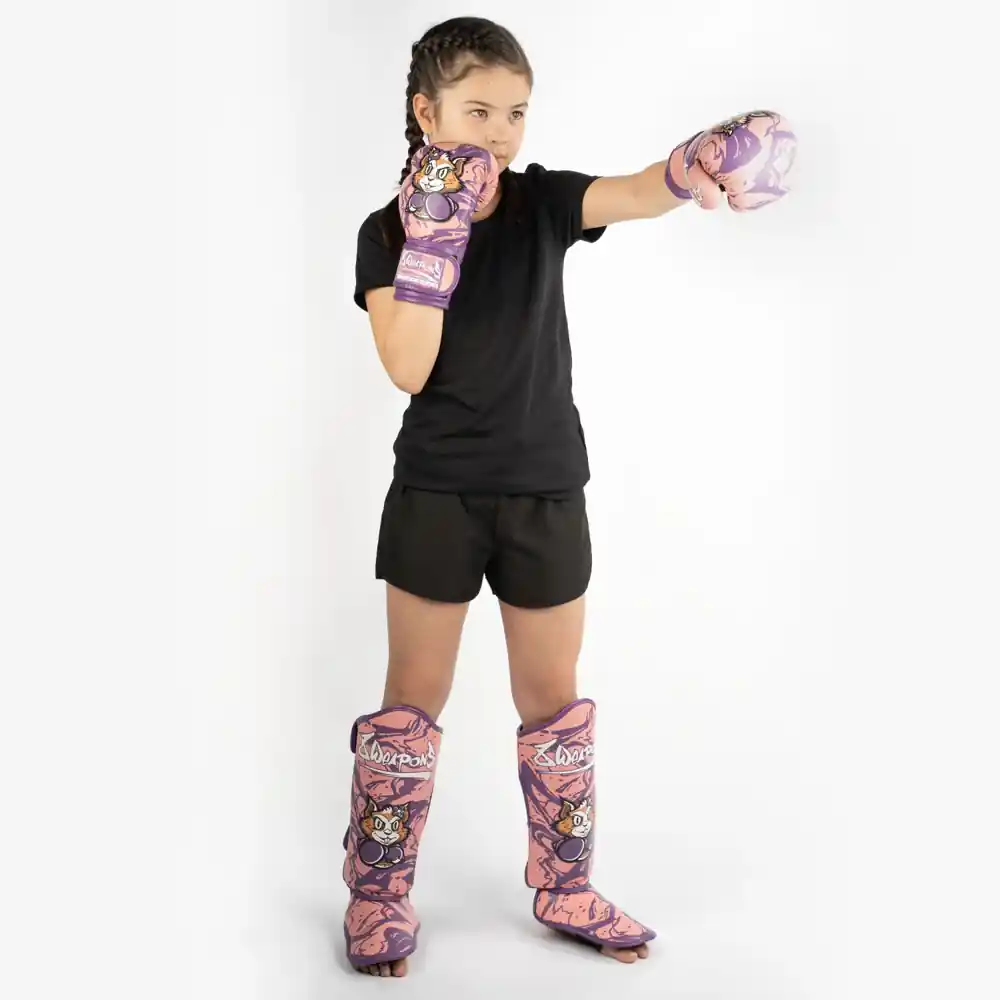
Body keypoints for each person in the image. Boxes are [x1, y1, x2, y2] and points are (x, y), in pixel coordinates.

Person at [342, 15, 797, 979]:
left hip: (547, 487)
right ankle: (378, 893)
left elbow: (632, 192)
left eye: (515, 112)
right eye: (478, 110)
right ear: (425, 111)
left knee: (554, 704)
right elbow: (408, 367)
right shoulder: (383, 232)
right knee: (411, 703)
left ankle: (564, 884)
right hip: (436, 490)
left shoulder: (544, 201)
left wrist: (695, 162)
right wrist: (433, 237)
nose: (501, 132)